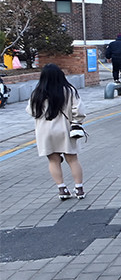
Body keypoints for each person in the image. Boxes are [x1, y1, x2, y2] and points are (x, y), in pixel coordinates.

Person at [28, 64, 86, 200]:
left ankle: (62, 189)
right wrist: (77, 122)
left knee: (53, 160)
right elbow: (79, 110)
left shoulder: (37, 93)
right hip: (65, 129)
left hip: (45, 131)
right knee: (72, 159)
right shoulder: (69, 90)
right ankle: (79, 189)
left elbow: (31, 111)